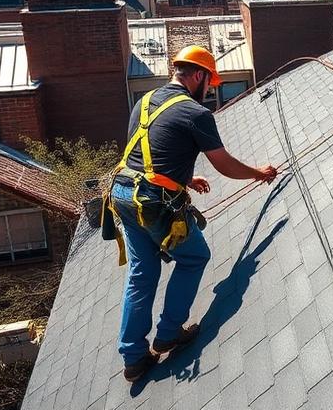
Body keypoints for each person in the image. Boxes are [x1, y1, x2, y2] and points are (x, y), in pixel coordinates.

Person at [108, 45, 277, 382]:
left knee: (142, 274)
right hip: (154, 202)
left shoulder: (144, 101)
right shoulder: (195, 114)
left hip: (124, 194)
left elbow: (146, 151)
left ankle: (134, 356)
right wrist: (259, 172)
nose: (210, 91)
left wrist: (184, 177)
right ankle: (169, 333)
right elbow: (223, 163)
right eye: (209, 84)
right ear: (198, 76)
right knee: (194, 257)